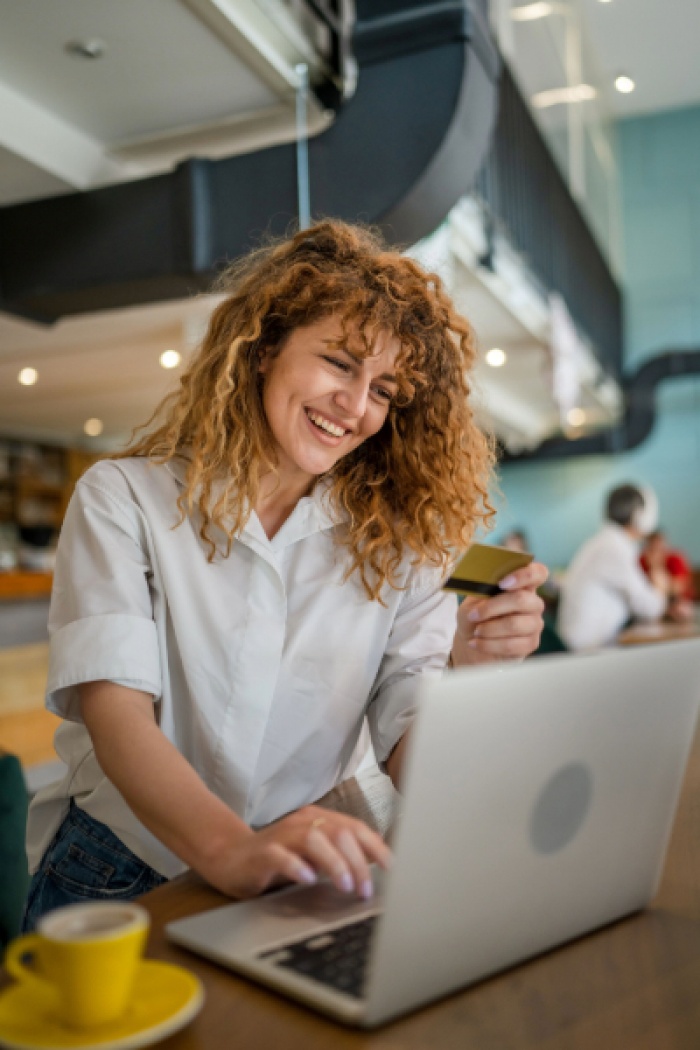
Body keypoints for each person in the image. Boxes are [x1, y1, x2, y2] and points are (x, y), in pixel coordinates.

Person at [23, 221, 547, 930]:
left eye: (385, 390)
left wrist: (474, 687)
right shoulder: (125, 498)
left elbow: (405, 718)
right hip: (121, 871)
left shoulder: (402, 535)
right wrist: (234, 851)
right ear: (266, 347)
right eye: (338, 362)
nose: (357, 407)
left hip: (301, 862)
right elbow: (118, 715)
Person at [557, 483, 671, 651]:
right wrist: (661, 586)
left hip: (584, 648)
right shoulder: (615, 549)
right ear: (641, 516)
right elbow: (650, 608)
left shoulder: (605, 543)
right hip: (585, 653)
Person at [641, 530, 695, 614]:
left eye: (660, 549)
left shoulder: (675, 559)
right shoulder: (642, 561)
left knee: (682, 610)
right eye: (653, 549)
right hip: (653, 601)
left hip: (677, 600)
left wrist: (657, 567)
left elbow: (677, 589)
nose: (657, 552)